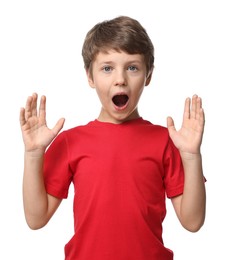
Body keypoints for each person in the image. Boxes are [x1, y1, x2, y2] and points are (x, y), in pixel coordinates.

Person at [19, 16, 206, 260]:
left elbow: (193, 222)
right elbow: (36, 218)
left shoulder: (168, 141)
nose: (120, 79)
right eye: (107, 68)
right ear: (90, 77)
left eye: (132, 67)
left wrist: (191, 156)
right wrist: (33, 155)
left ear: (148, 76)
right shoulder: (70, 142)